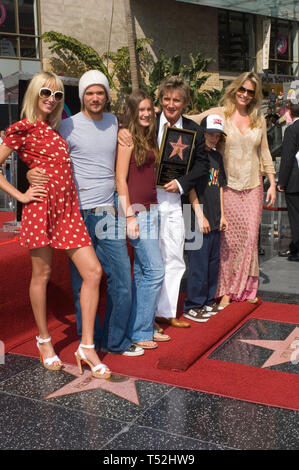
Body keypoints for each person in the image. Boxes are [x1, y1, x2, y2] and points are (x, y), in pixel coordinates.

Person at [0, 71, 110, 379]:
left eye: (58, 95)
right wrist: (21, 193)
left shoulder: (57, 127)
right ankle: (44, 340)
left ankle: (86, 347)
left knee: (93, 272)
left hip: (69, 210)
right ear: (34, 93)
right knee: (43, 274)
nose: (51, 99)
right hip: (41, 209)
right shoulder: (22, 127)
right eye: (45, 93)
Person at [27, 70, 142, 357]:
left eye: (100, 92)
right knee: (83, 281)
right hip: (74, 213)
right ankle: (89, 339)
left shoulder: (115, 123)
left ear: (106, 96)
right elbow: (45, 158)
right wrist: (30, 173)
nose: (95, 97)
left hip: (107, 213)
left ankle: (115, 342)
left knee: (121, 280)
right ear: (82, 97)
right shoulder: (65, 126)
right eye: (89, 92)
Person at [118, 76, 209, 329]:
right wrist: (122, 131)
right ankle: (145, 316)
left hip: (173, 202)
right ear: (161, 101)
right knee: (150, 262)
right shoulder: (149, 121)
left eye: (176, 100)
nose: (171, 104)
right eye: (167, 99)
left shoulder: (194, 130)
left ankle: (166, 312)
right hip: (146, 204)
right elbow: (129, 132)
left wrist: (181, 184)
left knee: (175, 256)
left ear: (185, 102)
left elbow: (202, 165)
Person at [191, 72, 276, 307]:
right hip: (226, 187)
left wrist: (272, 182)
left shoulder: (258, 119)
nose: (245, 95)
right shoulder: (220, 113)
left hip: (254, 186)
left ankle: (244, 288)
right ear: (235, 89)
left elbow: (265, 152)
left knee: (249, 240)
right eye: (242, 89)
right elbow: (192, 119)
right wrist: (161, 116)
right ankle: (226, 289)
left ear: (254, 95)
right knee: (228, 242)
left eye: (250, 92)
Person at [116, 90, 166, 349]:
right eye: (141, 110)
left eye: (149, 109)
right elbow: (120, 180)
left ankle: (140, 324)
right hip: (137, 211)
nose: (146, 113)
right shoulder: (127, 139)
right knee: (156, 271)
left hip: (153, 208)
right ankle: (141, 331)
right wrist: (129, 216)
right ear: (133, 112)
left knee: (143, 272)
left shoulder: (149, 136)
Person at [183, 114, 228, 322]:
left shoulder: (217, 157)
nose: (213, 138)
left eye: (217, 135)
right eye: (210, 133)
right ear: (202, 133)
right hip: (194, 217)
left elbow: (219, 186)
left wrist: (222, 214)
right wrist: (199, 216)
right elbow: (190, 187)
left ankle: (208, 301)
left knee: (212, 263)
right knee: (198, 265)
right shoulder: (194, 155)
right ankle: (193, 304)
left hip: (214, 216)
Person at [278, 102, 299, 261]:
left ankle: (297, 250)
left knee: (296, 217)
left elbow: (287, 158)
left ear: (290, 114)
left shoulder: (292, 130)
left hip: (294, 182)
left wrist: (281, 181)